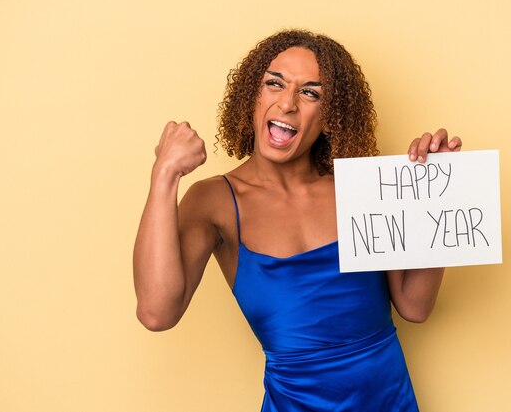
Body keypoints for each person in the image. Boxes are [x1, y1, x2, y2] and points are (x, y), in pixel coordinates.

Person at [133, 29, 462, 411]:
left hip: (390, 401)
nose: (287, 103)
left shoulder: (361, 187)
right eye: (274, 83)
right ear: (251, 98)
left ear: (330, 116)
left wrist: (438, 194)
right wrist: (164, 175)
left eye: (310, 92)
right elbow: (156, 312)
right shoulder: (214, 201)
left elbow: (414, 306)